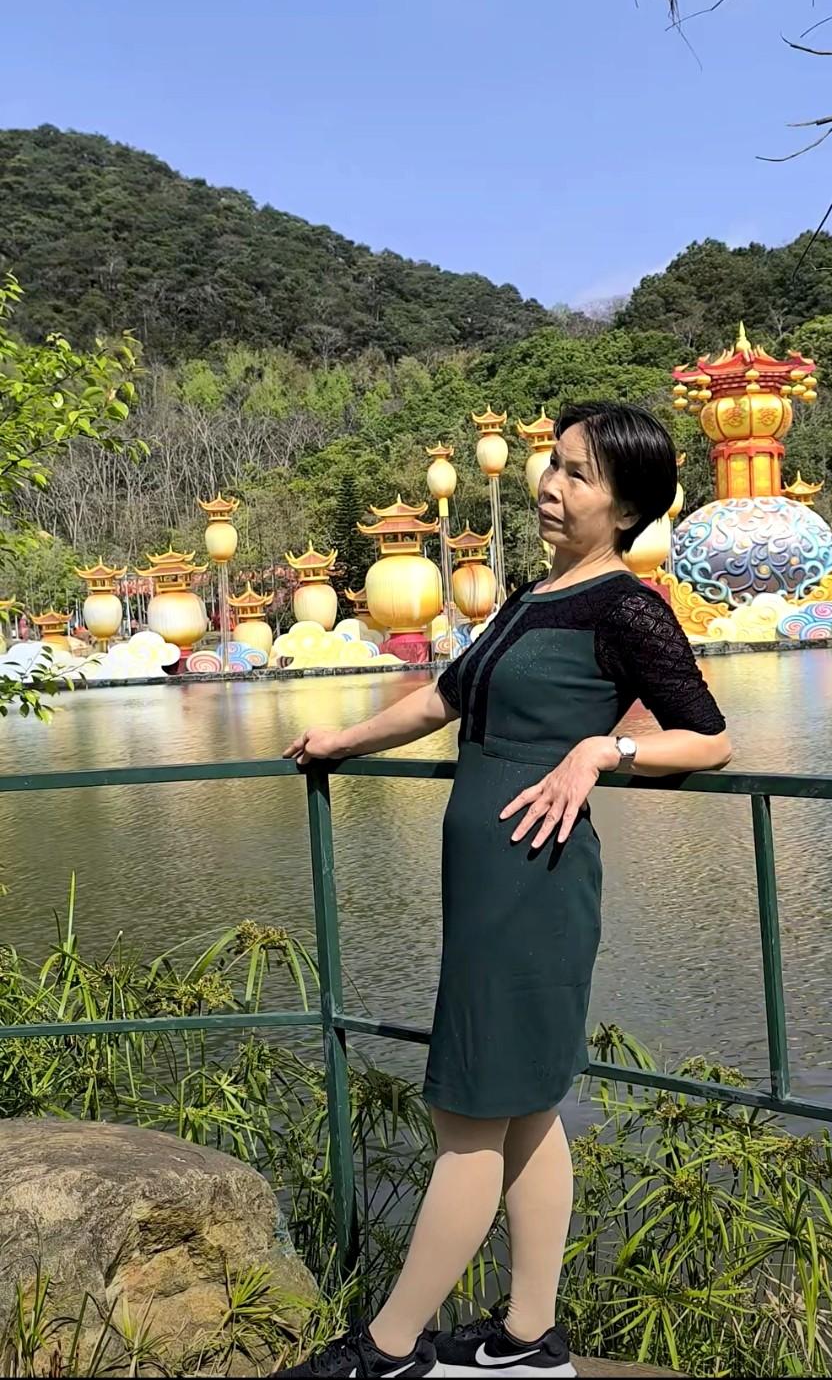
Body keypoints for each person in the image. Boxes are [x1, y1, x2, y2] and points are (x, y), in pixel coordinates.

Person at [280, 401, 732, 1379]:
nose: (550, 486)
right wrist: (341, 740)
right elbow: (447, 697)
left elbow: (709, 737)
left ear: (627, 508)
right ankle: (530, 1334)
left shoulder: (627, 607)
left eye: (577, 474)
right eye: (552, 465)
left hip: (537, 882)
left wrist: (602, 750)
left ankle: (388, 1347)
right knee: (522, 1109)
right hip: (489, 886)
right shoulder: (534, 595)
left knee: (470, 1117)